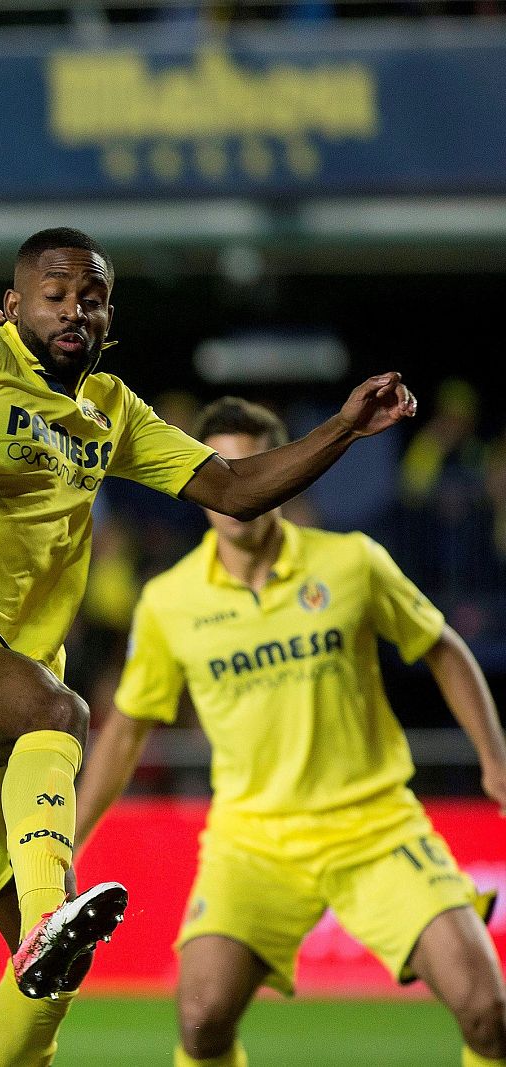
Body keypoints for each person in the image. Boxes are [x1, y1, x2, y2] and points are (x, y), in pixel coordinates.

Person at [0, 227, 417, 1066]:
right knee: (61, 710)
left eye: (93, 295)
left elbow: (232, 487)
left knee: (48, 976)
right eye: (56, 291)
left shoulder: (110, 410)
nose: (76, 307)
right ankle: (51, 915)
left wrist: (341, 428)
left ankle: (42, 943)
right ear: (14, 302)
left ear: (110, 314)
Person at [75, 396, 506, 1067]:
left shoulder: (351, 563)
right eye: (217, 471)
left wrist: (494, 757)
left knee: (487, 1008)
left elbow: (443, 646)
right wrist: (68, 841)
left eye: (252, 471)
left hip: (377, 827)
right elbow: (126, 731)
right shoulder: (169, 600)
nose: (233, 490)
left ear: (283, 475)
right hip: (253, 842)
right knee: (200, 1016)